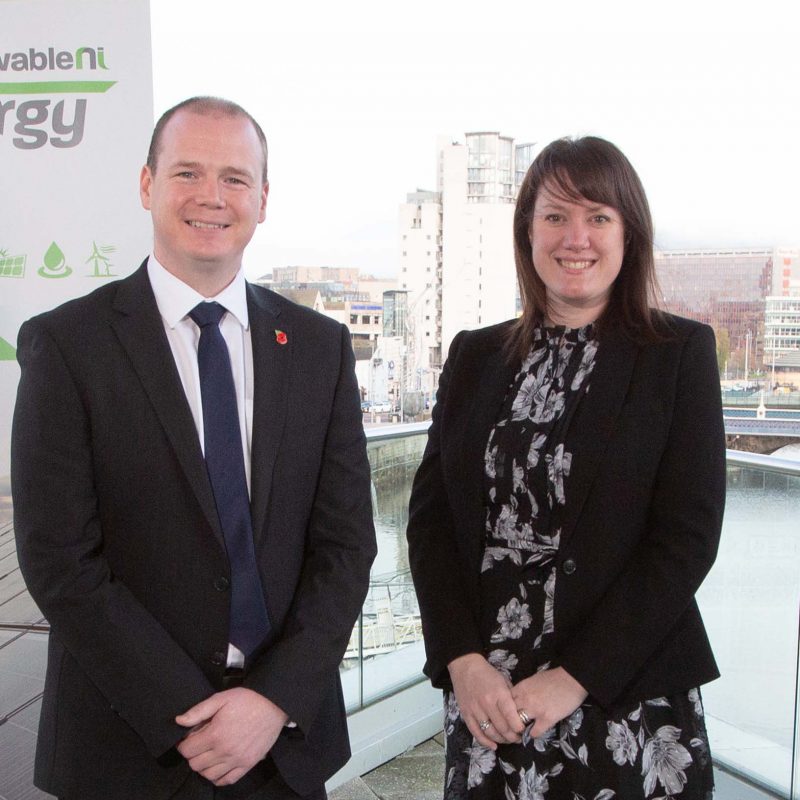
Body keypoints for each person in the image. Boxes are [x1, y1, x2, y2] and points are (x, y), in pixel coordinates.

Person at [12, 96, 376, 800]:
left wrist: (272, 701)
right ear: (147, 185)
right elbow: (59, 560)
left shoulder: (318, 348)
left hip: (281, 745)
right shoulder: (67, 346)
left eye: (235, 179)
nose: (212, 197)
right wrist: (191, 715)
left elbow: (346, 545)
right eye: (188, 173)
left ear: (263, 200)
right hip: (128, 749)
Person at [406, 136, 725, 798]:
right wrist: (461, 660)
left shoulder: (677, 354)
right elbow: (431, 523)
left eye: (598, 217)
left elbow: (686, 537)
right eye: (555, 216)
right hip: (492, 699)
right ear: (527, 232)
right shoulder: (473, 356)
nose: (575, 237)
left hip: (624, 693)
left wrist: (574, 676)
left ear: (628, 234)